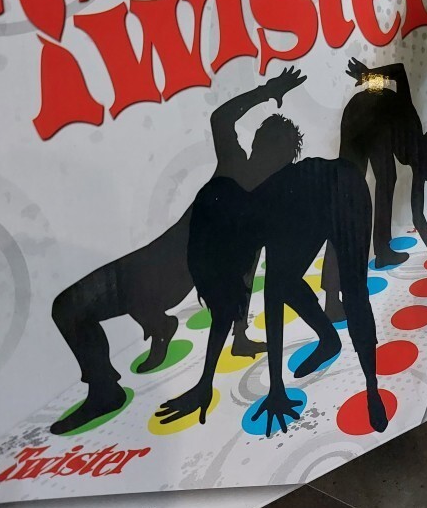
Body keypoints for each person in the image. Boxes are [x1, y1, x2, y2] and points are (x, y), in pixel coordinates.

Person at [50, 68, 307, 435]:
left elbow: (245, 272)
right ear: (257, 144)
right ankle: (146, 337)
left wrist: (239, 334)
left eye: (273, 151)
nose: (264, 154)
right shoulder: (234, 165)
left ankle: (132, 355)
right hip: (150, 261)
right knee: (68, 307)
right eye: (265, 143)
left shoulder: (260, 199)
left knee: (73, 307)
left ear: (282, 161)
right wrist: (267, 90)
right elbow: (221, 118)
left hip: (167, 279)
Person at [155, 156, 388, 437]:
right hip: (310, 203)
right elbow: (228, 306)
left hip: (344, 192)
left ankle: (372, 388)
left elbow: (272, 301)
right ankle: (329, 339)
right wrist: (206, 383)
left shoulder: (265, 217)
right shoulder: (247, 221)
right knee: (285, 281)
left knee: (353, 291)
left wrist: (277, 387)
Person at [322, 58, 427, 318]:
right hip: (360, 114)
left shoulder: (420, 159)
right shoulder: (410, 121)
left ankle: (383, 251)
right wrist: (368, 77)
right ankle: (332, 297)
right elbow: (398, 70)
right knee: (347, 200)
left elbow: (418, 215)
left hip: (378, 126)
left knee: (387, 178)